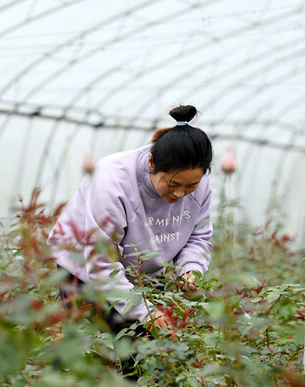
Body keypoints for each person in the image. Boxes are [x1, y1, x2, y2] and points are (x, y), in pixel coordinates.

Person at [48, 105, 213, 331]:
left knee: (144, 353)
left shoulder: (199, 184)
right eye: (173, 184)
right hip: (84, 266)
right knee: (94, 348)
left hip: (144, 272)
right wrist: (145, 312)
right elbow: (100, 263)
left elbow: (198, 237)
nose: (179, 194)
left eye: (191, 186)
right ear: (152, 163)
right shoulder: (112, 181)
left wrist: (191, 270)